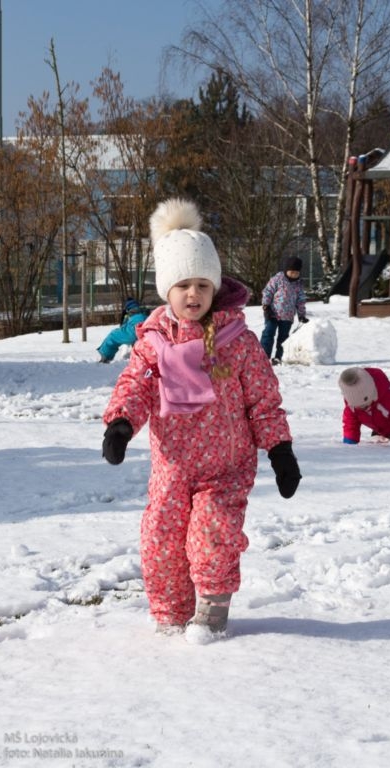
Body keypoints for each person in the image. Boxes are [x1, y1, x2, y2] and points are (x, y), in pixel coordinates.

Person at [101, 198, 301, 638]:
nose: (193, 295)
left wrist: (280, 450)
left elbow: (263, 402)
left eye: (203, 285)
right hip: (172, 467)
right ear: (166, 290)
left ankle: (211, 611)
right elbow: (136, 385)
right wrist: (120, 424)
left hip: (225, 467)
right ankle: (172, 617)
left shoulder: (237, 341)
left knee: (212, 534)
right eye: (183, 285)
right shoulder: (152, 342)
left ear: (215, 288)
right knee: (161, 540)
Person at [260, 256, 309, 365]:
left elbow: (301, 300)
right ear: (286, 270)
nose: (294, 275)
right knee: (268, 333)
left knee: (283, 338)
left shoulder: (299, 284)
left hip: (287, 316)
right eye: (291, 272)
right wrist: (266, 306)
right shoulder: (277, 279)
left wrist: (301, 315)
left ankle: (279, 357)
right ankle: (263, 356)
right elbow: (268, 292)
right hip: (272, 313)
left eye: (296, 273)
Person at [97, 298, 148, 363]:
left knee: (113, 336)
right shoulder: (144, 313)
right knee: (137, 342)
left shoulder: (129, 314)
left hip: (133, 332)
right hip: (145, 333)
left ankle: (105, 357)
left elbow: (123, 326)